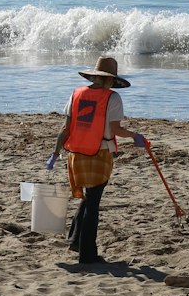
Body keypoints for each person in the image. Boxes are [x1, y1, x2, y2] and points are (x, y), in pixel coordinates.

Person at [47, 55, 147, 267]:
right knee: (92, 203)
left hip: (75, 155)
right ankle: (88, 255)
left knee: (88, 198)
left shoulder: (76, 95)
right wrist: (136, 137)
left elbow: (66, 129)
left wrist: (55, 153)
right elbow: (116, 130)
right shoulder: (112, 98)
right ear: (110, 80)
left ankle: (75, 240)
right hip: (99, 154)